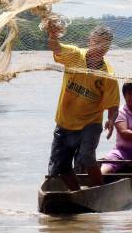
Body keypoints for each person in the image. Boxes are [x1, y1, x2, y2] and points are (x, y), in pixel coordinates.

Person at [46, 24, 120, 191]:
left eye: (105, 45)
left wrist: (111, 120)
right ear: (90, 41)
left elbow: (113, 104)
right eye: (97, 43)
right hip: (65, 121)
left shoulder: (108, 74)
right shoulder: (74, 55)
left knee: (86, 157)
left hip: (90, 123)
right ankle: (77, 194)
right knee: (60, 166)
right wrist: (52, 35)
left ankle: (100, 192)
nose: (101, 48)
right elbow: (55, 47)